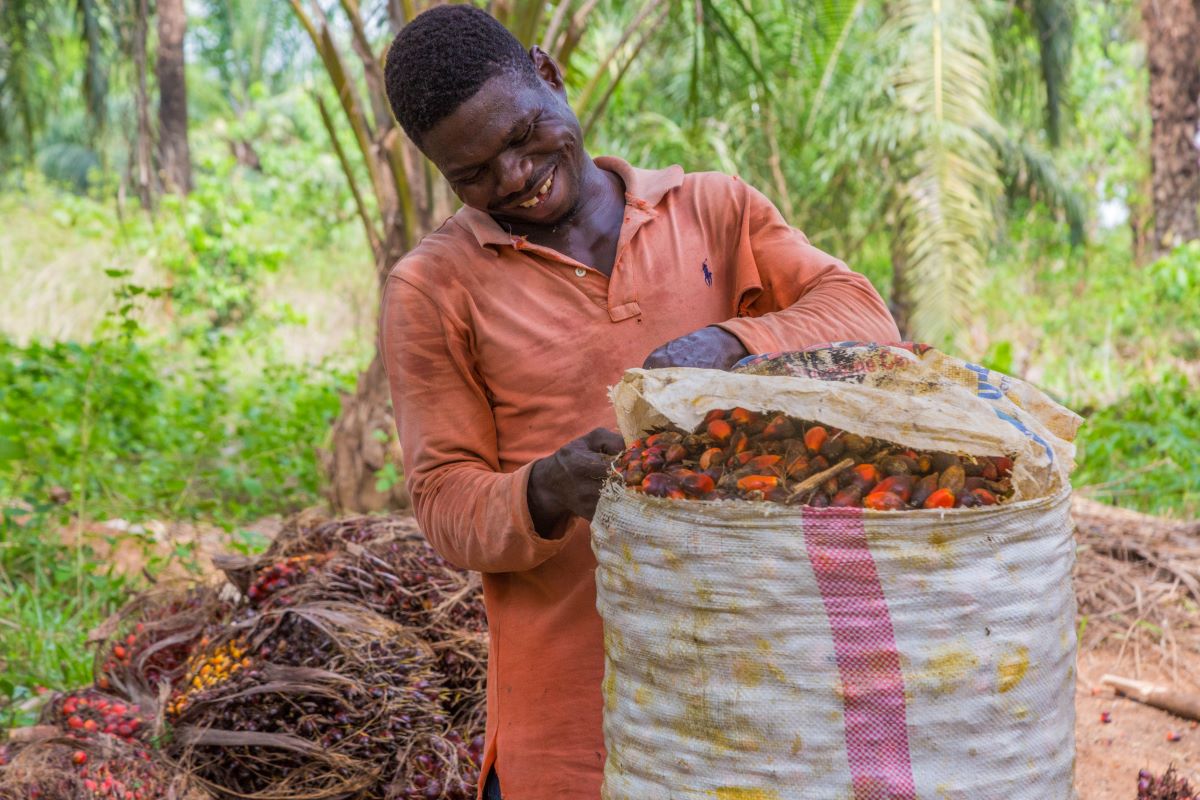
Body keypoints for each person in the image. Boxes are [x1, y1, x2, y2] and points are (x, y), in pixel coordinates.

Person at [379, 6, 900, 799]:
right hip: (570, 734)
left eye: (521, 136)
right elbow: (445, 503)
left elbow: (866, 318)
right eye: (474, 174)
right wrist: (546, 489)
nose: (513, 178)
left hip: (764, 696)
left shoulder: (714, 212)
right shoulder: (432, 288)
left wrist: (730, 343)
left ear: (548, 74)